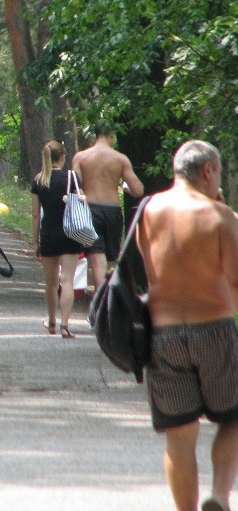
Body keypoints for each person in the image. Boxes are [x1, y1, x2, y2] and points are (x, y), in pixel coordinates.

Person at [135, 140, 237, 511]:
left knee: (179, 438)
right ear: (208, 171)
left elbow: (147, 270)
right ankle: (221, 495)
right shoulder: (219, 215)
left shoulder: (148, 210)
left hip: (163, 335)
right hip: (214, 328)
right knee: (233, 417)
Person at [71, 122, 145, 292]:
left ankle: (100, 304)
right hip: (113, 211)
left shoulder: (81, 157)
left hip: (90, 210)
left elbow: (76, 186)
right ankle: (105, 302)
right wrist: (124, 186)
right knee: (108, 260)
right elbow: (138, 189)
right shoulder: (120, 159)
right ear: (111, 135)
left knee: (97, 261)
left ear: (95, 135)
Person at [30, 139, 84, 338]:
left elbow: (36, 215)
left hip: (49, 235)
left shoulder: (39, 180)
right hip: (70, 234)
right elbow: (81, 202)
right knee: (67, 280)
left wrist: (35, 242)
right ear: (62, 157)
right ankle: (65, 324)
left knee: (51, 283)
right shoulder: (72, 177)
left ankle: (51, 321)